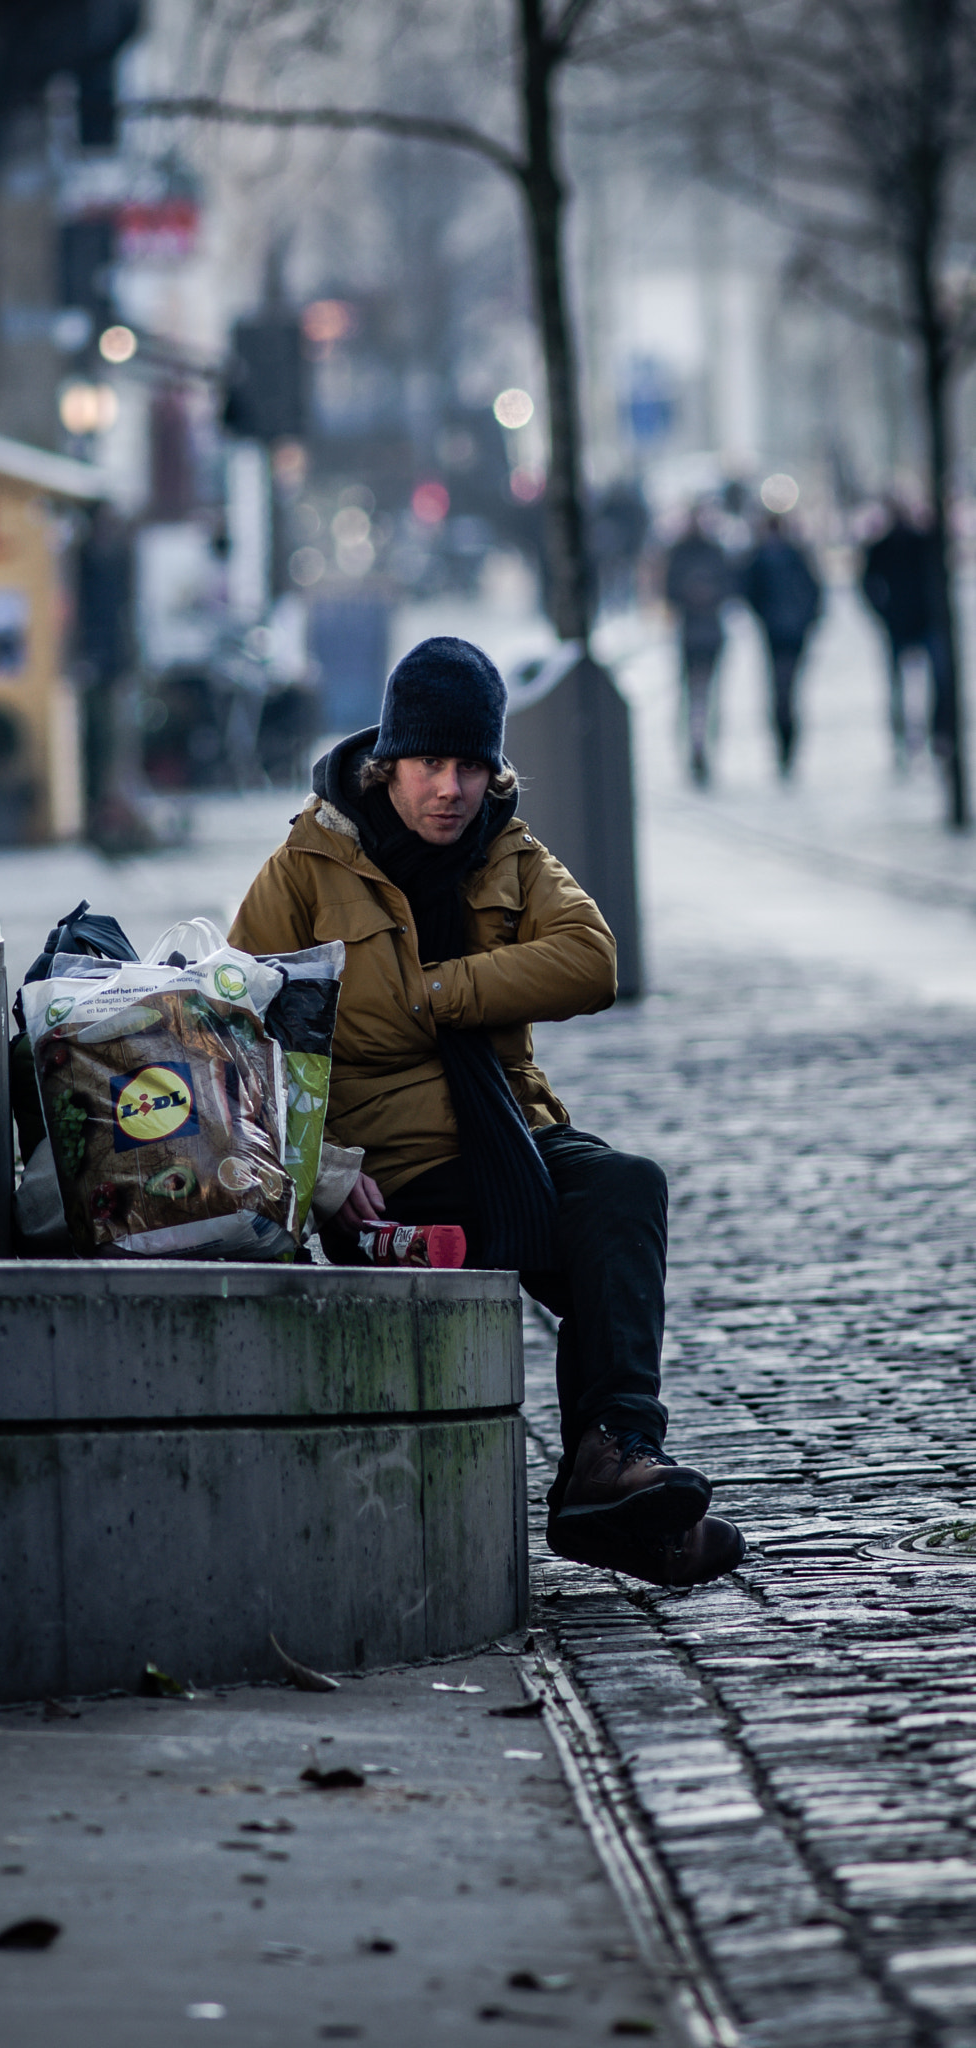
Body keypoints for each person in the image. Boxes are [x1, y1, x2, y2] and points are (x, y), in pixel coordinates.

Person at [230, 636, 745, 1588]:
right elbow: (243, 1041)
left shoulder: (507, 851)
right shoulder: (306, 868)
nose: (450, 789)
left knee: (623, 1190)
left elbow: (592, 962)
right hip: (393, 1174)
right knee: (581, 1231)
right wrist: (331, 1177)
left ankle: (610, 1455)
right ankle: (624, 1520)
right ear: (388, 763)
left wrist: (436, 992)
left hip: (511, 1136)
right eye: (430, 763)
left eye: (471, 765)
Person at [861, 502, 946, 768]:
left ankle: (929, 734)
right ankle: (910, 735)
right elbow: (868, 583)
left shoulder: (916, 544)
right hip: (905, 621)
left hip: (917, 620)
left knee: (933, 680)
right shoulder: (885, 547)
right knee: (908, 683)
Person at [740, 514, 822, 776]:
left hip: (787, 633)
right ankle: (786, 743)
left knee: (783, 691)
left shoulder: (783, 557)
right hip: (781, 634)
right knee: (785, 692)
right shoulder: (768, 558)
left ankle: (786, 743)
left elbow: (813, 593)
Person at [664, 505, 734, 786]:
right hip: (692, 634)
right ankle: (696, 744)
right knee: (696, 694)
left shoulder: (712, 552)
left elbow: (730, 587)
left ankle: (702, 744)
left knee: (705, 695)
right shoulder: (683, 552)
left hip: (708, 633)